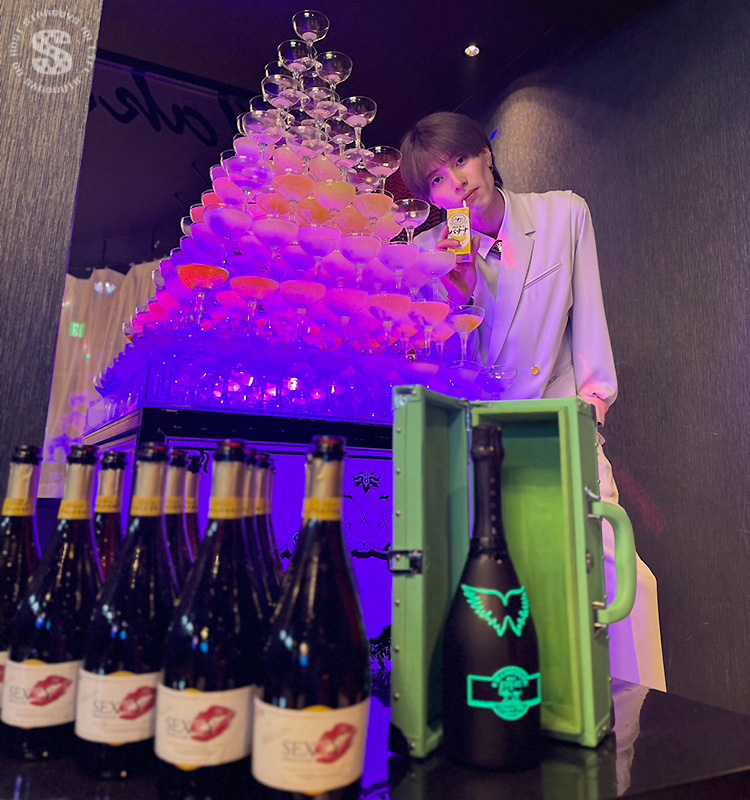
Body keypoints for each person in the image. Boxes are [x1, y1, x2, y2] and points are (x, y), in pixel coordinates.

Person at [400, 111, 666, 691]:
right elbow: (437, 371)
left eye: (461, 161)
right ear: (429, 198)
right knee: (505, 593)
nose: (457, 183)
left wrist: (590, 409)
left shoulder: (562, 214)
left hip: (559, 426)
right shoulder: (425, 255)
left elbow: (589, 320)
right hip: (479, 443)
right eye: (437, 179)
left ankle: (639, 719)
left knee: (622, 582)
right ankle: (521, 710)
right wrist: (458, 293)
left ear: (486, 155)